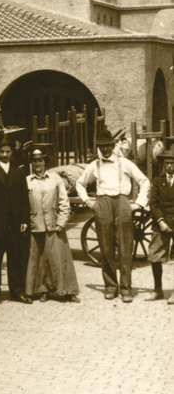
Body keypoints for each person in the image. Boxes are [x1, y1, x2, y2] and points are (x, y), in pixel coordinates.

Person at [75, 128, 150, 302]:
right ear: (99, 148)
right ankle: (110, 286)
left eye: (108, 146)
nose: (106, 150)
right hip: (102, 204)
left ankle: (125, 289)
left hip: (122, 202)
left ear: (113, 145)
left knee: (125, 248)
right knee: (106, 248)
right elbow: (80, 183)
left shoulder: (125, 163)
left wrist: (138, 203)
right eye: (102, 147)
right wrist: (89, 202)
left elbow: (144, 181)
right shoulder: (94, 165)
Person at [25, 148, 79, 302]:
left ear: (45, 162)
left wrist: (61, 222)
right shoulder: (27, 181)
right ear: (31, 163)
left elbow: (64, 202)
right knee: (39, 259)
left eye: (40, 160)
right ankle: (42, 290)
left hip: (54, 225)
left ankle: (67, 290)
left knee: (59, 258)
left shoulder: (55, 179)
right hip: (35, 226)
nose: (37, 164)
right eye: (34, 161)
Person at [0, 135, 31, 305]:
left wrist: (24, 219)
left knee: (14, 258)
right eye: (2, 151)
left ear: (12, 153)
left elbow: (24, 198)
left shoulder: (18, 172)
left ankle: (16, 291)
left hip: (14, 223)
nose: (4, 154)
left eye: (7, 152)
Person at [147, 147, 174, 303]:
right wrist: (161, 221)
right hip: (161, 224)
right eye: (167, 164)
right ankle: (158, 290)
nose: (169, 166)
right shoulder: (158, 181)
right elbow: (153, 204)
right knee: (155, 257)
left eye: (172, 163)